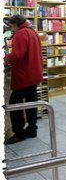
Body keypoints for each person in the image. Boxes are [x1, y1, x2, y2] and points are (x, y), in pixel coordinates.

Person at [4, 15, 44, 144]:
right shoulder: (32, 31)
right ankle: (32, 129)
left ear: (16, 24)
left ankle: (19, 133)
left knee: (15, 104)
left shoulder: (21, 34)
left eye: (11, 27)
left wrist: (5, 57)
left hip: (24, 75)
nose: (11, 30)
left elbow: (17, 55)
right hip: (34, 74)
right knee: (31, 103)